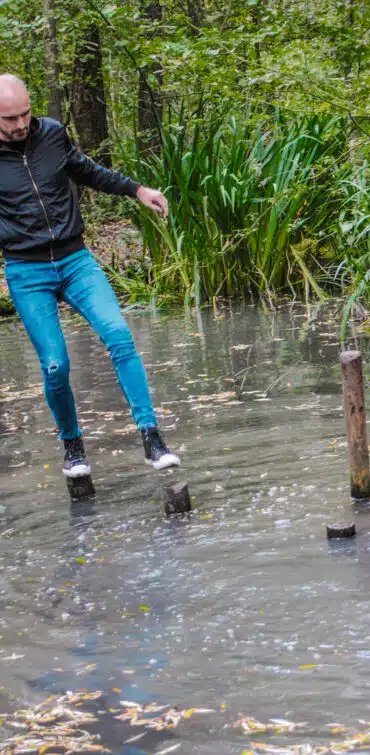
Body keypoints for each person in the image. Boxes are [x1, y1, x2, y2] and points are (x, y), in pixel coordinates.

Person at [0, 74, 180, 476]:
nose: (21, 124)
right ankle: (73, 447)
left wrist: (138, 190)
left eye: (25, 113)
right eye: (10, 119)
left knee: (119, 336)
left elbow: (89, 171)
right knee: (55, 365)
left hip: (75, 260)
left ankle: (152, 438)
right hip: (26, 270)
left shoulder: (51, 134)